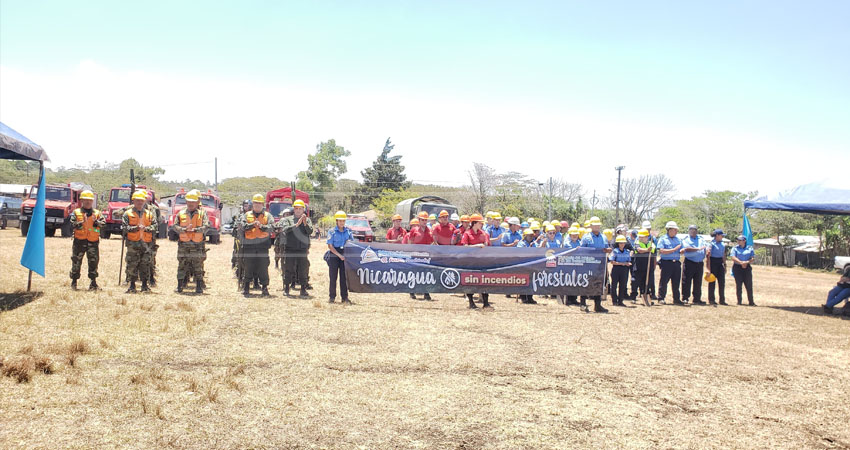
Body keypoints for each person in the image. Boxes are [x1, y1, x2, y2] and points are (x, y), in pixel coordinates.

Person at [172, 190, 209, 293]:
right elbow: (175, 226)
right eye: (189, 201)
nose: (191, 204)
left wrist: (196, 230)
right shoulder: (181, 213)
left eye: (193, 202)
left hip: (197, 244)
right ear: (186, 202)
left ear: (197, 202)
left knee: (198, 266)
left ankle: (199, 287)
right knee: (182, 265)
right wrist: (184, 229)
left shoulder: (202, 213)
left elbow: (207, 226)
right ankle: (180, 286)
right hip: (184, 244)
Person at [238, 194, 274, 297]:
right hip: (249, 246)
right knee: (248, 266)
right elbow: (242, 226)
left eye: (259, 203)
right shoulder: (246, 215)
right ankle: (246, 287)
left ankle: (265, 287)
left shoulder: (268, 216)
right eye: (255, 203)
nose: (257, 205)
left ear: (263, 204)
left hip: (263, 246)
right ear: (252, 204)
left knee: (263, 267)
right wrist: (252, 225)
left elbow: (271, 227)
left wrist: (261, 226)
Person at [69, 190, 105, 291]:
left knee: (93, 262)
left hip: (93, 242)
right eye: (86, 200)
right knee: (76, 261)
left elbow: (103, 224)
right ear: (82, 201)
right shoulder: (76, 212)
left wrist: (96, 222)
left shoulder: (97, 213)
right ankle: (74, 282)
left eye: (90, 200)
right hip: (79, 241)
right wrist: (81, 222)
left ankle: (93, 283)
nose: (88, 202)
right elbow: (72, 224)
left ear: (92, 201)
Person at [277, 199, 313, 298]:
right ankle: (287, 288)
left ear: (303, 210)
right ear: (294, 209)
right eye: (296, 208)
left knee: (303, 269)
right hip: (290, 248)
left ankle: (303, 289)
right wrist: (296, 225)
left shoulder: (307, 220)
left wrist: (304, 223)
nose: (298, 210)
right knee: (288, 268)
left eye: (300, 209)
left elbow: (310, 231)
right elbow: (285, 230)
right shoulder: (288, 219)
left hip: (302, 249)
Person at [122, 191, 156, 293]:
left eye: (141, 201)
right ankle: (132, 285)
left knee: (145, 264)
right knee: (132, 264)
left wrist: (147, 228)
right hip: (133, 244)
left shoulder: (149, 214)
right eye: (137, 200)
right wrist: (135, 228)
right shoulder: (127, 214)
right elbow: (124, 227)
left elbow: (155, 226)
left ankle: (145, 285)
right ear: (133, 201)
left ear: (144, 201)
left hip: (146, 244)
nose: (139, 202)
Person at [580, 217, 612, 313]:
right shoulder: (586, 237)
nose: (597, 226)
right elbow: (582, 250)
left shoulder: (604, 237)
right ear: (591, 226)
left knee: (599, 284)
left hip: (600, 265)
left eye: (598, 225)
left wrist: (608, 250)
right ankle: (583, 303)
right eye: (595, 225)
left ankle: (597, 305)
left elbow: (607, 248)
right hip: (588, 265)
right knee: (586, 283)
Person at [461, 213, 492, 309]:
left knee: (484, 280)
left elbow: (487, 245)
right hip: (470, 261)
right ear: (474, 223)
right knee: (470, 281)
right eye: (480, 223)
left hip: (482, 261)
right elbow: (464, 247)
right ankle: (471, 302)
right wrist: (476, 246)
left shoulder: (483, 233)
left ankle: (486, 302)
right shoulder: (467, 234)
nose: (481, 224)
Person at [326, 210, 354, 304]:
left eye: (343, 221)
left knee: (344, 277)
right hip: (334, 254)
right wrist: (339, 255)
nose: (342, 223)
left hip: (345, 254)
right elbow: (330, 246)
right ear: (336, 221)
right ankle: (332, 297)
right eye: (340, 221)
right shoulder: (332, 231)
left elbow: (352, 243)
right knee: (333, 277)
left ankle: (344, 297)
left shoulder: (348, 231)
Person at [402, 218, 433, 300]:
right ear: (419, 221)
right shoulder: (413, 231)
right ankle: (411, 291)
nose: (424, 222)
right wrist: (411, 253)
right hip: (415, 256)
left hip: (425, 256)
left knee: (425, 274)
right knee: (414, 273)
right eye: (422, 220)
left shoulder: (429, 231)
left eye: (426, 220)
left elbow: (431, 243)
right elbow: (409, 242)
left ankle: (426, 293)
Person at [656, 221, 683, 305]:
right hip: (666, 263)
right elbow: (661, 251)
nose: (676, 231)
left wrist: (682, 251)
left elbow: (681, 250)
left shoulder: (678, 239)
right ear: (669, 230)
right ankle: (661, 298)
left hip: (676, 263)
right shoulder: (663, 239)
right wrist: (674, 249)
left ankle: (676, 299)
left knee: (676, 282)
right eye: (675, 230)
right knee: (664, 281)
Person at [681, 225, 708, 305]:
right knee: (686, 280)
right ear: (688, 231)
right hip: (690, 262)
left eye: (695, 230)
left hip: (699, 263)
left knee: (698, 281)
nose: (693, 231)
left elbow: (706, 246)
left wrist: (706, 249)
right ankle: (685, 298)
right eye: (691, 230)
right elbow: (687, 248)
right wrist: (698, 249)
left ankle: (697, 299)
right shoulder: (686, 239)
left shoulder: (701, 239)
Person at [730, 235, 756, 306]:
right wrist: (741, 262)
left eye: (740, 240)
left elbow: (752, 258)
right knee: (739, 285)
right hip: (737, 267)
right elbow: (733, 257)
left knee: (749, 285)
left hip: (747, 267)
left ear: (744, 241)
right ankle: (739, 301)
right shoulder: (735, 248)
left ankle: (751, 302)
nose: (738, 241)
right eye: (738, 240)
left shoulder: (750, 248)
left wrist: (746, 262)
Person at [632, 228, 656, 302]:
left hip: (648, 267)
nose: (640, 238)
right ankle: (633, 297)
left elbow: (653, 252)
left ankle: (645, 296)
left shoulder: (651, 244)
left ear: (647, 237)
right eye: (640, 237)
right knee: (635, 282)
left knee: (646, 282)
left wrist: (654, 266)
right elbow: (639, 250)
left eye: (642, 237)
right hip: (638, 266)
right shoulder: (637, 243)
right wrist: (647, 250)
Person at [144, 190, 162, 287]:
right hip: (137, 237)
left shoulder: (154, 209)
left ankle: (150, 277)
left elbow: (158, 221)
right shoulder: (132, 209)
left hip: (150, 237)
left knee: (150, 257)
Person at [609, 235, 632, 307]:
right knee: (614, 285)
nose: (622, 244)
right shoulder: (614, 251)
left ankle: (620, 301)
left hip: (624, 270)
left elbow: (629, 260)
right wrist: (622, 263)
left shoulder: (627, 252)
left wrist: (627, 264)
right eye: (620, 243)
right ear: (618, 243)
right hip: (616, 269)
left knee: (623, 285)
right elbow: (612, 261)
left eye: (623, 243)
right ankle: (614, 300)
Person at [707, 229, 728, 305]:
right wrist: (708, 268)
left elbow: (723, 255)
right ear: (717, 236)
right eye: (721, 235)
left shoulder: (723, 244)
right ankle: (711, 299)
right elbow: (708, 256)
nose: (722, 237)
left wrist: (725, 264)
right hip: (713, 262)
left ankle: (722, 300)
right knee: (712, 281)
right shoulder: (711, 244)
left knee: (722, 282)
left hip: (720, 262)